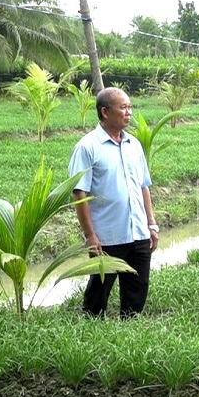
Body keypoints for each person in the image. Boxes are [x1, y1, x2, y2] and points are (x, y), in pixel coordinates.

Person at [68, 87, 159, 318]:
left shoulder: (134, 145)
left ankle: (130, 331)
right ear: (105, 112)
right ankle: (91, 330)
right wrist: (90, 235)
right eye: (123, 107)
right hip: (107, 237)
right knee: (99, 292)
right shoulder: (87, 147)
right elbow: (80, 195)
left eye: (130, 107)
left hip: (138, 233)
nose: (129, 112)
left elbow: (143, 186)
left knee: (137, 290)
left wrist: (151, 224)